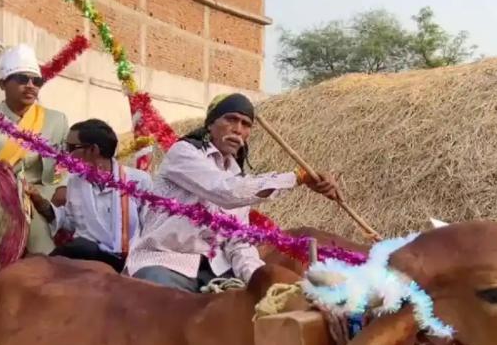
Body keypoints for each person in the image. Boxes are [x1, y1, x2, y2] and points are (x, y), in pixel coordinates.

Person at [124, 93, 341, 292]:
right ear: (211, 124)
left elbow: (238, 242)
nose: (238, 129)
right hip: (164, 262)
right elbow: (226, 191)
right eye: (231, 119)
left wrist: (261, 280)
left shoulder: (237, 177)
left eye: (246, 124)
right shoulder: (183, 153)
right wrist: (297, 177)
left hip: (215, 271)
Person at [0, 44, 69, 255]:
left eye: (37, 81)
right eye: (22, 79)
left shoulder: (56, 120)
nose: (30, 86)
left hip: (43, 193)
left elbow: (66, 164)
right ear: (2, 84)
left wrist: (62, 187)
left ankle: (47, 262)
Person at [27, 119, 152, 272]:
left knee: (80, 247)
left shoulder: (138, 181)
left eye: (71, 148)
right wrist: (42, 204)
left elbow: (150, 228)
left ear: (93, 149)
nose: (67, 154)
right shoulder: (75, 181)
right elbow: (70, 222)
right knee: (80, 247)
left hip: (126, 261)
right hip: (85, 256)